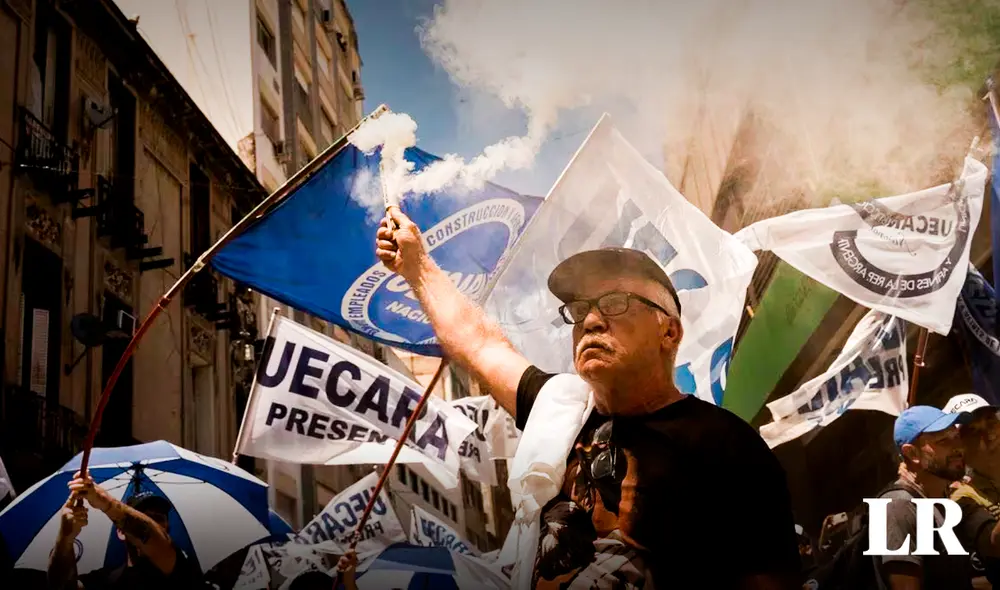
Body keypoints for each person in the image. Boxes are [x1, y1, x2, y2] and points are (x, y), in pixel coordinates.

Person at [375, 207, 802, 588]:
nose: (591, 320)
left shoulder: (726, 444)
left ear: (668, 331)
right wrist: (417, 267)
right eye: (580, 311)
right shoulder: (561, 410)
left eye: (615, 303)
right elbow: (480, 344)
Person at [877, 405, 1000, 589]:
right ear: (912, 453)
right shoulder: (898, 506)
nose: (958, 448)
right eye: (943, 441)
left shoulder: (943, 504)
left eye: (956, 437)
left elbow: (992, 545)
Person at [47, 471, 202, 589]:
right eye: (144, 516)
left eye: (159, 518)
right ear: (121, 531)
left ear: (166, 529)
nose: (153, 523)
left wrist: (103, 501)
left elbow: (156, 539)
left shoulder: (178, 567)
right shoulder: (106, 579)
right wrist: (65, 538)